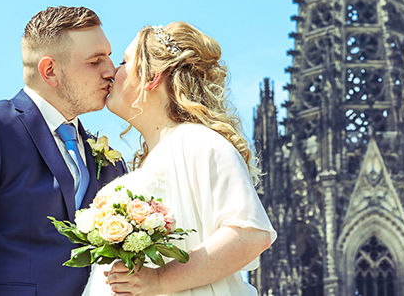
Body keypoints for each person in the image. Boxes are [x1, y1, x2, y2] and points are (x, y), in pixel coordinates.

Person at [0, 6, 127, 296]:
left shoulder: (110, 162)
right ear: (50, 71)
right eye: (95, 61)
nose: (111, 71)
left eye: (109, 56)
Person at [85, 22, 275, 296]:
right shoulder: (157, 155)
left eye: (124, 62)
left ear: (151, 77)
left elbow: (250, 235)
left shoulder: (199, 141)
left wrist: (160, 280)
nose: (113, 72)